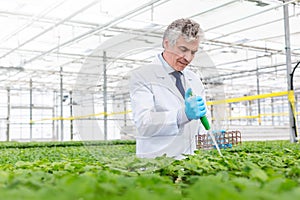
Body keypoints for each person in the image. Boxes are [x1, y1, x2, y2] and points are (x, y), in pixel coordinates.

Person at [129, 18, 209, 159]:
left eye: (193, 52)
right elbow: (144, 123)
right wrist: (182, 115)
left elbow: (201, 121)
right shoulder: (142, 76)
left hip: (190, 163)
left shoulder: (194, 80)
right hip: (156, 165)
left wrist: (210, 137)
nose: (188, 58)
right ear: (167, 44)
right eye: (183, 49)